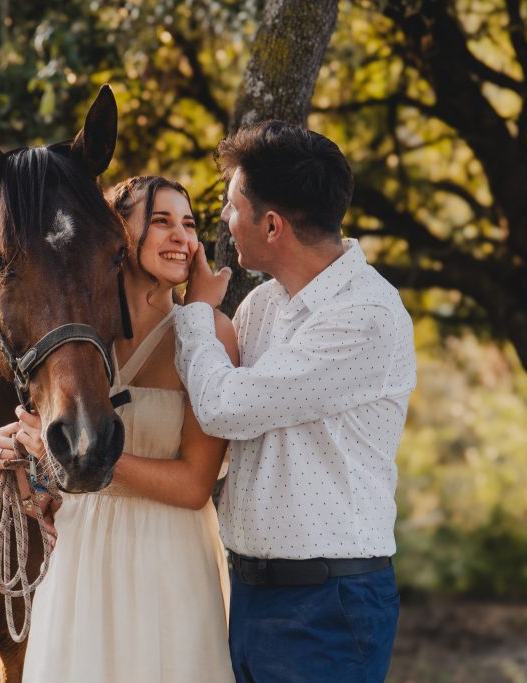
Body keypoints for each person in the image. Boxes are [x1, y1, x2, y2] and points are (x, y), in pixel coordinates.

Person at [174, 121, 418, 682]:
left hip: (327, 604)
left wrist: (194, 315)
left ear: (273, 224)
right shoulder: (260, 306)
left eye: (233, 206)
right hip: (249, 595)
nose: (226, 222)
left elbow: (224, 406)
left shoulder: (366, 314)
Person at [0, 175, 239, 683]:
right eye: (161, 221)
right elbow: (49, 497)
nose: (182, 238)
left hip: (170, 560)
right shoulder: (79, 338)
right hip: (82, 559)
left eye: (188, 225)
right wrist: (22, 463)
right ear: (117, 233)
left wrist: (87, 456)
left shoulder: (208, 334)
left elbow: (194, 486)